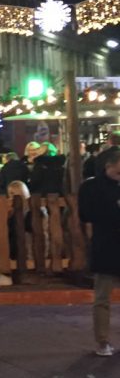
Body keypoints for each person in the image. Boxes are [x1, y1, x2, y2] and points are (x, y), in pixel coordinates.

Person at [78, 147, 120, 356]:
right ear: (108, 166)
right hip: (106, 244)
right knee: (102, 297)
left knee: (102, 297)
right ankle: (102, 341)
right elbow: (85, 214)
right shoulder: (92, 187)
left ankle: (103, 341)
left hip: (106, 243)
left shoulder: (91, 187)